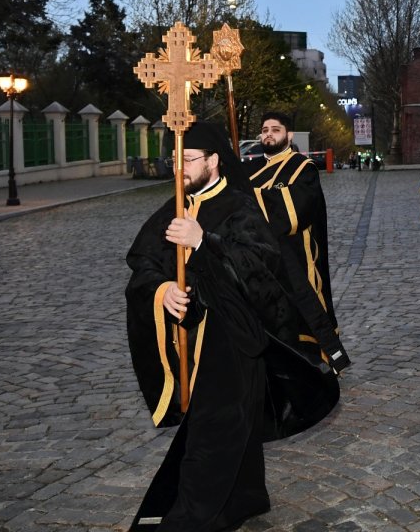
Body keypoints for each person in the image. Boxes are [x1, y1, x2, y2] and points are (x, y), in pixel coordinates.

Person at [125, 123, 337, 530]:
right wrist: (163, 288)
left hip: (232, 340)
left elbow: (263, 271)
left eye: (188, 161)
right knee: (228, 425)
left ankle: (189, 519)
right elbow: (143, 264)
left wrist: (205, 241)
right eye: (175, 161)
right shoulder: (175, 206)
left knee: (214, 430)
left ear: (214, 161)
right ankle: (244, 498)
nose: (180, 169)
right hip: (192, 339)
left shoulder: (240, 207)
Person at [243, 111, 350, 373]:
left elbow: (296, 210)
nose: (268, 134)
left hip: (297, 256)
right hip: (261, 259)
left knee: (304, 309)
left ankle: (320, 361)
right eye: (265, 129)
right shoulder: (248, 169)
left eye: (275, 129)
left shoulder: (303, 168)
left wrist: (249, 198)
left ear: (288, 135)